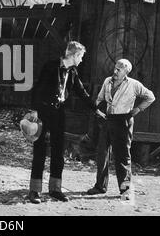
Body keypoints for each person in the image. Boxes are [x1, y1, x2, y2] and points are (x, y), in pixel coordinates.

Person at [29, 41, 104, 203]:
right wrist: (34, 110)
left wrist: (96, 109)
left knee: (58, 151)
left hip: (59, 113)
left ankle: (55, 189)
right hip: (42, 111)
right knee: (40, 150)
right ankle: (34, 191)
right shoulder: (50, 66)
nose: (82, 60)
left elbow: (82, 93)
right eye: (81, 56)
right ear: (74, 55)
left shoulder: (73, 72)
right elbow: (38, 87)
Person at [87, 59, 155, 200]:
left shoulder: (134, 84)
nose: (115, 71)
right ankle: (100, 187)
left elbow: (150, 97)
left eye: (119, 69)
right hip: (107, 120)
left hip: (123, 121)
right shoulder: (107, 81)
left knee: (123, 157)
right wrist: (98, 112)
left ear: (126, 72)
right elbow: (99, 99)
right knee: (102, 155)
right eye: (115, 68)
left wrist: (138, 109)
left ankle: (125, 191)